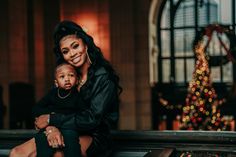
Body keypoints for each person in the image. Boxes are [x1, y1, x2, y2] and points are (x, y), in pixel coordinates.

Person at [9, 20, 122, 157]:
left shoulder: (103, 77)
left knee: (51, 155)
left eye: (75, 46)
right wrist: (51, 128)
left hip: (95, 135)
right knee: (16, 153)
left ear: (85, 44)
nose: (72, 53)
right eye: (66, 51)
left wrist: (53, 120)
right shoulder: (67, 75)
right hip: (64, 128)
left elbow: (92, 119)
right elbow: (49, 107)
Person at [32, 63, 84, 157]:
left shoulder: (78, 96)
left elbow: (80, 115)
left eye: (71, 75)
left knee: (71, 139)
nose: (67, 79)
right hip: (52, 125)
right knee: (41, 138)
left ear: (77, 80)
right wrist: (50, 115)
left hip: (69, 127)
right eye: (62, 76)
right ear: (56, 83)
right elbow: (37, 108)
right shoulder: (53, 93)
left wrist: (56, 117)